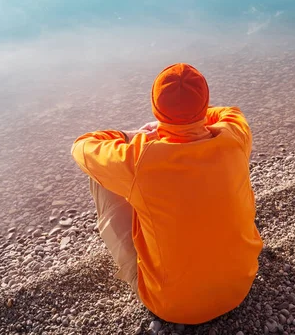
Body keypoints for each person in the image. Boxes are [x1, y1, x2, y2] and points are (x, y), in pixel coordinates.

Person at [71, 63, 263, 325]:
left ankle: (136, 263)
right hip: (241, 286)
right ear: (204, 104)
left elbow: (82, 146)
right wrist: (192, 117)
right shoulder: (235, 135)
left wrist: (133, 135)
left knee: (102, 175)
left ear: (155, 107)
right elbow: (229, 111)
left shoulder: (139, 158)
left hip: (172, 307)